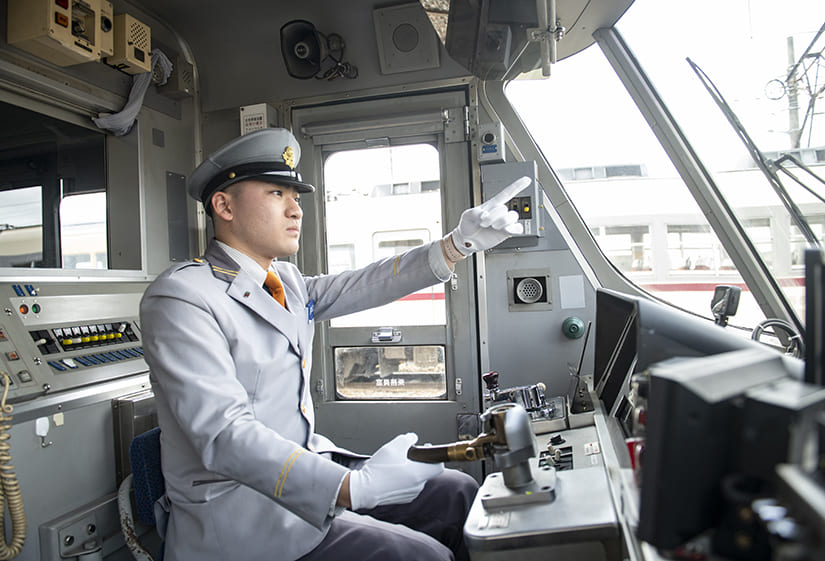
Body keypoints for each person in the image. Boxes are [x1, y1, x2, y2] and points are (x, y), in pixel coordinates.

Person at [140, 128, 529, 561]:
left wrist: (456, 246)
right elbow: (225, 435)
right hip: (242, 518)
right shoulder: (182, 297)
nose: (295, 209)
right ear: (223, 205)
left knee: (455, 492)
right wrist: (351, 488)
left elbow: (364, 284)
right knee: (426, 558)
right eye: (276, 193)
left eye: (297, 196)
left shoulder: (284, 279)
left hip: (302, 474)